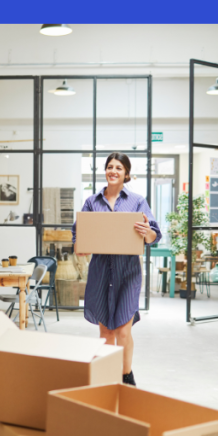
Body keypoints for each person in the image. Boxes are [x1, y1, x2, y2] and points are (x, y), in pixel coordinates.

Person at [73, 152, 161, 386]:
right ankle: (106, 376)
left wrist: (147, 232)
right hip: (101, 272)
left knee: (123, 331)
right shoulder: (92, 202)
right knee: (106, 333)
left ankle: (125, 375)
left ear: (126, 174)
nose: (113, 171)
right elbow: (78, 234)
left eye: (118, 168)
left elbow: (154, 235)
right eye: (109, 167)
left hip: (128, 273)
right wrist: (79, 246)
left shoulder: (138, 201)